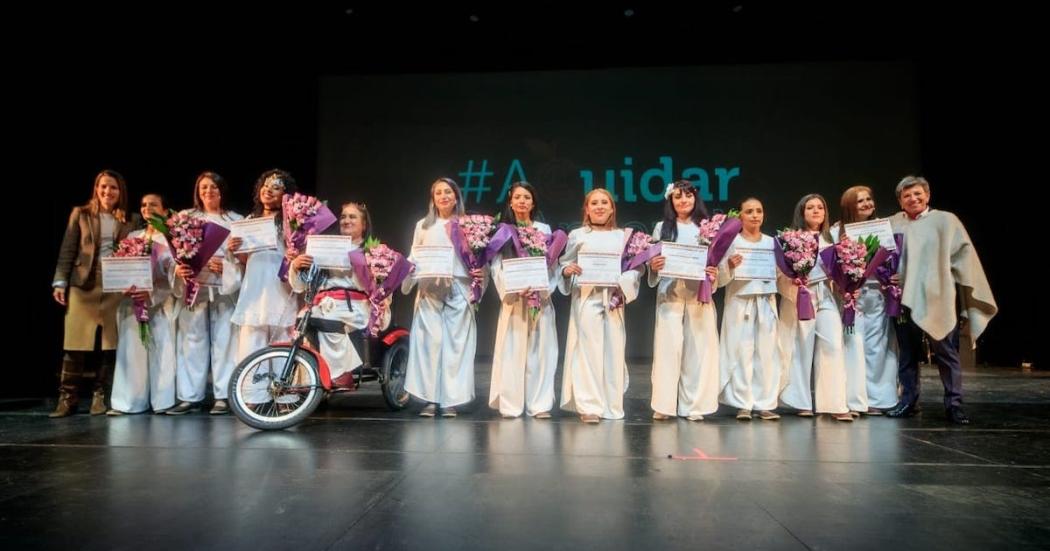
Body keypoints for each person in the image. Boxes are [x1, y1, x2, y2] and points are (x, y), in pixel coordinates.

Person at [886, 176, 997, 425]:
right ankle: (908, 401)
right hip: (903, 297)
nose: (913, 199)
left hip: (939, 295)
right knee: (907, 353)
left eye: (917, 194)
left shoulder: (946, 221)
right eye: (907, 196)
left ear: (927, 195)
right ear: (900, 201)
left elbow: (964, 255)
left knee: (946, 353)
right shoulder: (893, 224)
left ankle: (954, 404)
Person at [50, 169, 140, 417]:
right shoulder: (81, 213)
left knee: (109, 344)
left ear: (120, 192)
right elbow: (68, 249)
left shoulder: (130, 219)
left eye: (112, 187)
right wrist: (60, 282)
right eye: (103, 186)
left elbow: (139, 253)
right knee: (75, 343)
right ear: (96, 188)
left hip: (115, 287)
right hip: (83, 285)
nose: (107, 192)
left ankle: (100, 396)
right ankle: (67, 398)